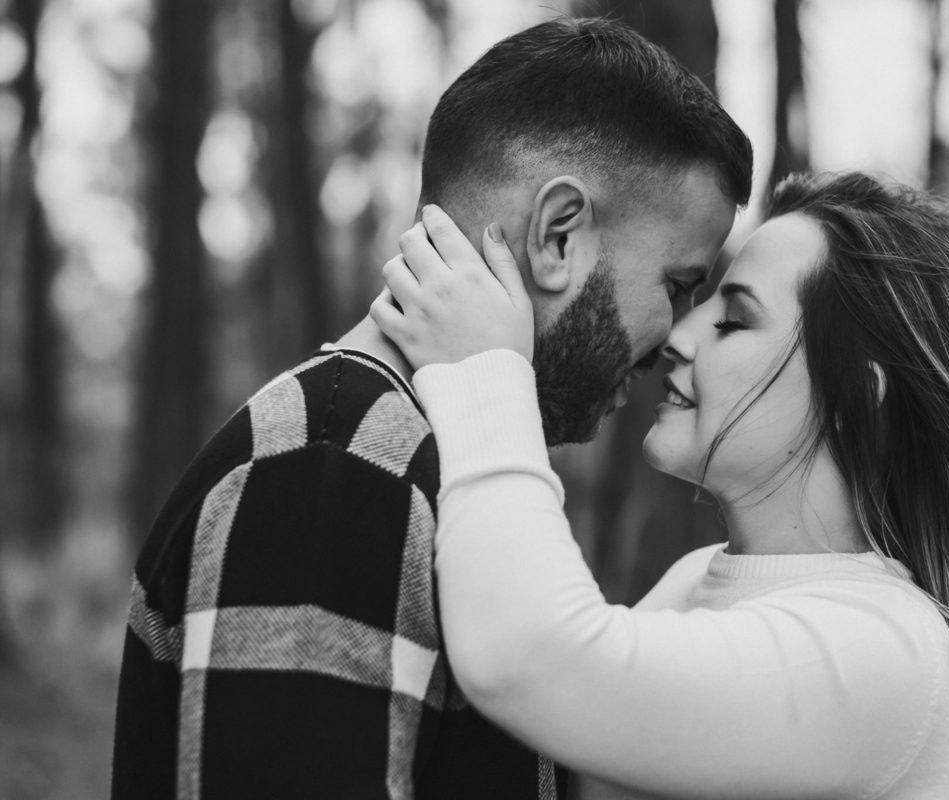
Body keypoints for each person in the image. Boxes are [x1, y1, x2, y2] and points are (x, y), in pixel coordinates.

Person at [110, 17, 752, 799]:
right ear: (558, 238)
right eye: (679, 285)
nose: (678, 340)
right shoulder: (337, 464)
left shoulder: (432, 469)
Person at [369, 171, 949, 799]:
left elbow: (532, 660)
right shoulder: (702, 580)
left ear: (852, 400)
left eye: (734, 320)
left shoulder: (890, 652)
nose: (679, 335)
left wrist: (487, 372)